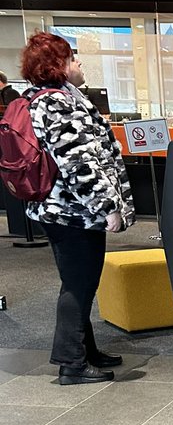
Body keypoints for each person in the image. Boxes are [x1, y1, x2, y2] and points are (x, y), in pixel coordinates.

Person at [21, 32, 134, 385]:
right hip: (73, 212)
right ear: (58, 66)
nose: (79, 63)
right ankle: (71, 361)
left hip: (61, 210)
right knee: (79, 284)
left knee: (80, 281)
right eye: (73, 58)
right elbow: (78, 164)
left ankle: (85, 350)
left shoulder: (51, 100)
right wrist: (107, 207)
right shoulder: (57, 104)